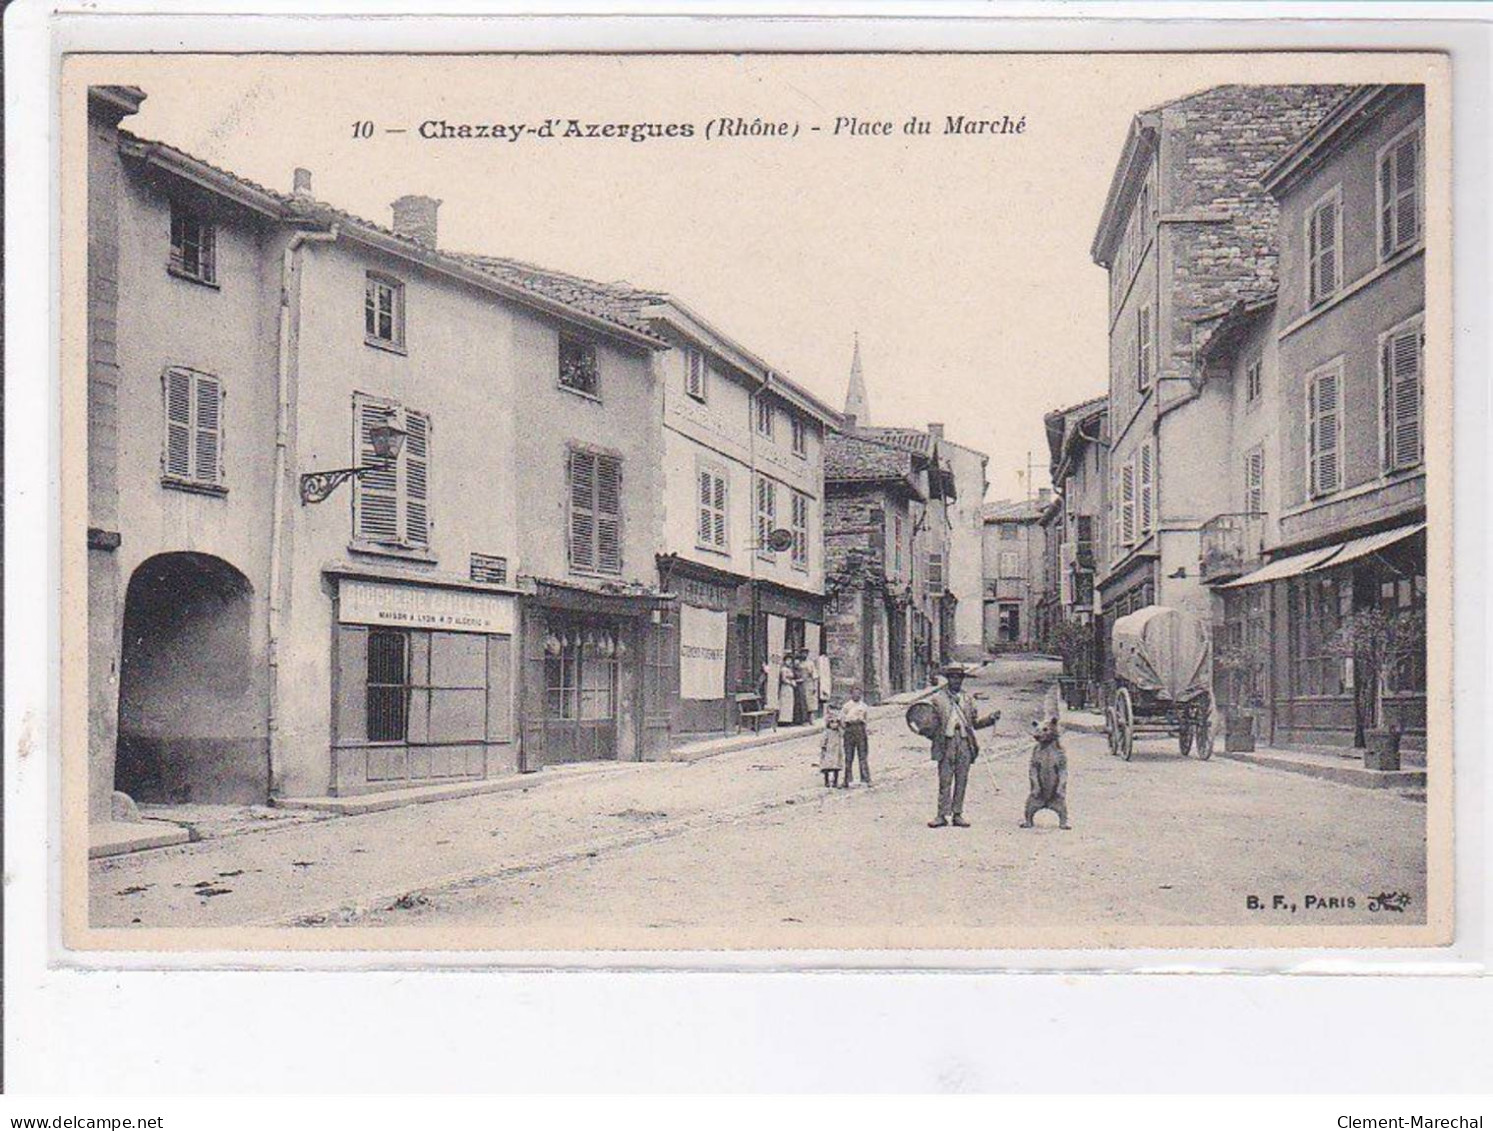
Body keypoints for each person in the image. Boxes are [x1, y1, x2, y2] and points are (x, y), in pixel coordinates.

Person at [924, 664, 999, 828]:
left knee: (962, 779)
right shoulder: (937, 699)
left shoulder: (968, 700)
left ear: (962, 680)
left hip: (965, 743)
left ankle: (957, 814)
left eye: (959, 678)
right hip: (946, 742)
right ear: (948, 679)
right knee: (945, 780)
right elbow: (928, 724)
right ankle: (941, 815)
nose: (956, 680)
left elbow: (973, 724)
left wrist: (990, 719)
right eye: (952, 677)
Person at [840, 684, 870, 788]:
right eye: (854, 693)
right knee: (849, 756)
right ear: (851, 694)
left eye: (859, 694)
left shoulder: (864, 706)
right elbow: (842, 720)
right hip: (850, 729)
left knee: (862, 755)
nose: (857, 696)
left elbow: (866, 719)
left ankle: (865, 779)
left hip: (860, 729)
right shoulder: (846, 706)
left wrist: (863, 728)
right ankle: (847, 780)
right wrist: (847, 729)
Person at [818, 711, 843, 788]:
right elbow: (823, 741)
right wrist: (823, 747)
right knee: (827, 766)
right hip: (828, 751)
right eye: (832, 722)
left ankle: (835, 781)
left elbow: (843, 734)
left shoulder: (838, 732)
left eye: (836, 722)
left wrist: (840, 727)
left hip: (836, 751)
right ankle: (826, 781)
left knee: (836, 767)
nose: (834, 724)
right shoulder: (827, 732)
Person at [777, 654, 798, 726]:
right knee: (784, 703)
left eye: (790, 661)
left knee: (789, 703)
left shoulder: (789, 669)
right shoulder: (783, 669)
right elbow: (783, 679)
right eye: (787, 660)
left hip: (790, 688)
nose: (789, 662)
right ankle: (783, 721)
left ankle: (789, 720)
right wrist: (791, 683)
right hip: (785, 687)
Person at [816, 650, 834, 719]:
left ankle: (824, 711)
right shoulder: (819, 661)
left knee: (825, 692)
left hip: (825, 679)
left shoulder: (826, 661)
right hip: (822, 679)